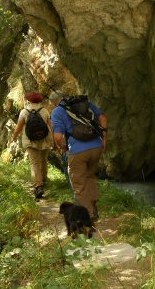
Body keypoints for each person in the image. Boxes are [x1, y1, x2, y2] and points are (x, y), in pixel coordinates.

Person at [50, 91, 107, 222]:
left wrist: (62, 147)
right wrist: (104, 139)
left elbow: (58, 136)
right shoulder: (84, 104)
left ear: (54, 103)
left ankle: (87, 215)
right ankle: (94, 208)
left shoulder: (57, 112)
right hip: (96, 147)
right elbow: (103, 118)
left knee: (78, 183)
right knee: (90, 176)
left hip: (77, 151)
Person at [12, 91, 53, 199]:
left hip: (30, 141)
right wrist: (53, 140)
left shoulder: (24, 112)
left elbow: (19, 128)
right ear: (40, 100)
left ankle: (38, 186)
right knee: (44, 161)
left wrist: (14, 137)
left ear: (28, 100)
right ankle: (44, 181)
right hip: (44, 139)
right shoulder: (45, 111)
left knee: (35, 163)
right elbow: (50, 126)